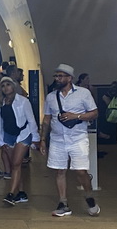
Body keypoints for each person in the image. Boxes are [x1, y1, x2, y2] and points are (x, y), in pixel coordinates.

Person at [43, 64, 100, 217]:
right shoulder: (51, 97)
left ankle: (89, 197)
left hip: (78, 137)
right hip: (57, 139)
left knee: (81, 171)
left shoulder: (83, 93)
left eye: (61, 76)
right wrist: (42, 138)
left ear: (70, 78)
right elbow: (47, 119)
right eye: (56, 76)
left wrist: (77, 116)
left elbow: (94, 113)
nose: (57, 78)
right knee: (60, 170)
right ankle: (63, 202)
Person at [0, 76, 40, 205]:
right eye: (3, 86)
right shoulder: (1, 102)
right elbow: (0, 123)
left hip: (23, 134)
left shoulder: (23, 101)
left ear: (13, 86)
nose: (6, 88)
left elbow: (31, 119)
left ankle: (10, 194)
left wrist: (35, 137)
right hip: (8, 135)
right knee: (14, 166)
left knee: (16, 164)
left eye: (8, 85)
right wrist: (0, 140)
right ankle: (21, 192)